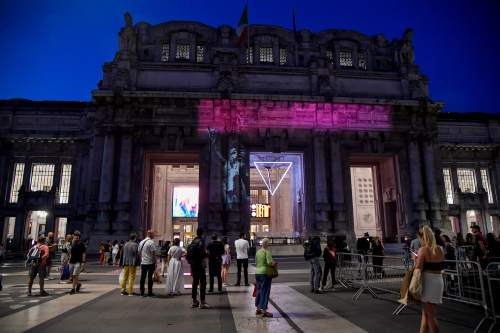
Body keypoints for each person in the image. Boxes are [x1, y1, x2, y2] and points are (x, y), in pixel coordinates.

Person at [415, 225, 445, 333]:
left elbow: (418, 268)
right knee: (426, 312)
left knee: (431, 314)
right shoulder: (440, 249)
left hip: (428, 281)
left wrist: (415, 258)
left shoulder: (423, 250)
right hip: (438, 280)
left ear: (422, 238)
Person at [254, 237, 276, 318]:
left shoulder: (257, 252)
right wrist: (274, 263)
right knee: (265, 291)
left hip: (257, 273)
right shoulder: (267, 252)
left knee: (259, 290)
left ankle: (258, 309)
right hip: (265, 273)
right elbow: (270, 263)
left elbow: (256, 263)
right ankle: (264, 311)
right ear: (268, 244)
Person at [189, 228, 210, 309]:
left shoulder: (193, 242)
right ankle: (202, 301)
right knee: (203, 282)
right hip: (200, 265)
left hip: (193, 265)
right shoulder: (201, 242)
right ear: (202, 234)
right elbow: (202, 254)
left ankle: (194, 301)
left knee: (195, 283)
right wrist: (206, 254)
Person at [138, 230, 157, 298]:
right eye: (153, 234)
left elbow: (139, 253)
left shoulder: (141, 242)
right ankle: (150, 293)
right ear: (150, 234)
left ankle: (142, 293)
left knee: (143, 277)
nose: (154, 235)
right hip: (150, 262)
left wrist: (142, 258)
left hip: (143, 262)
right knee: (150, 277)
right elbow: (153, 253)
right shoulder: (151, 242)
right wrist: (155, 262)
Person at [68, 230, 86, 295]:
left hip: (78, 262)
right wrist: (69, 261)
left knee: (75, 275)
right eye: (74, 238)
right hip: (72, 261)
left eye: (76, 238)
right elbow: (71, 254)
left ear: (79, 238)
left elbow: (84, 254)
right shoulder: (72, 244)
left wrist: (83, 262)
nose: (75, 239)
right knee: (72, 276)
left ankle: (73, 289)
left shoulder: (82, 245)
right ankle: (78, 284)